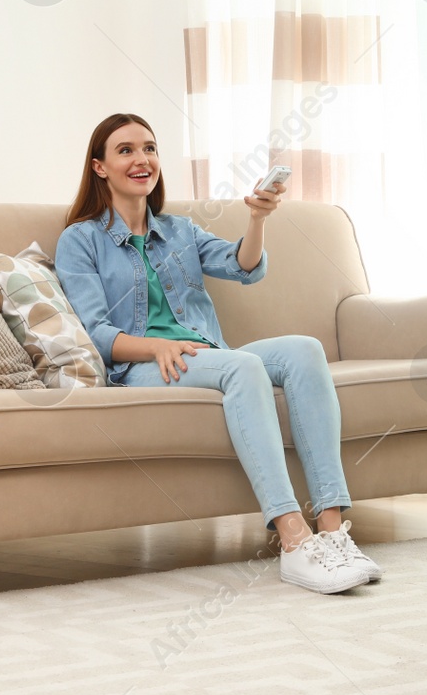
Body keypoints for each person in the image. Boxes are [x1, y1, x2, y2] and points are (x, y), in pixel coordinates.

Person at [53, 113, 381, 594]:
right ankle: (293, 540)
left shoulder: (179, 231)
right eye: (125, 150)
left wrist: (258, 218)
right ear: (99, 167)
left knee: (304, 350)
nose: (142, 159)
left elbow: (243, 267)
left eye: (150, 148)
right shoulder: (80, 240)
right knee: (244, 365)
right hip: (141, 366)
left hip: (207, 357)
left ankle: (332, 531)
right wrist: (158, 345)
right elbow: (99, 333)